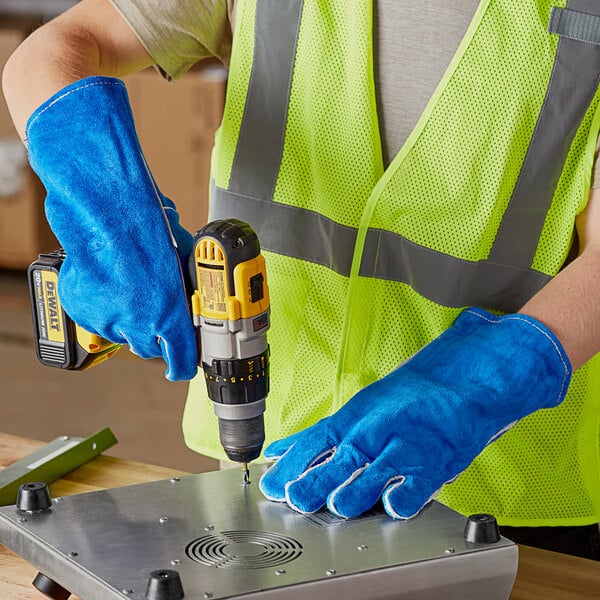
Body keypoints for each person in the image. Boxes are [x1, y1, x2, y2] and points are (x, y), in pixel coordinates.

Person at [3, 0, 600, 560]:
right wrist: (106, 211)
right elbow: (60, 48)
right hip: (272, 469)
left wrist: (490, 377)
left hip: (506, 481)